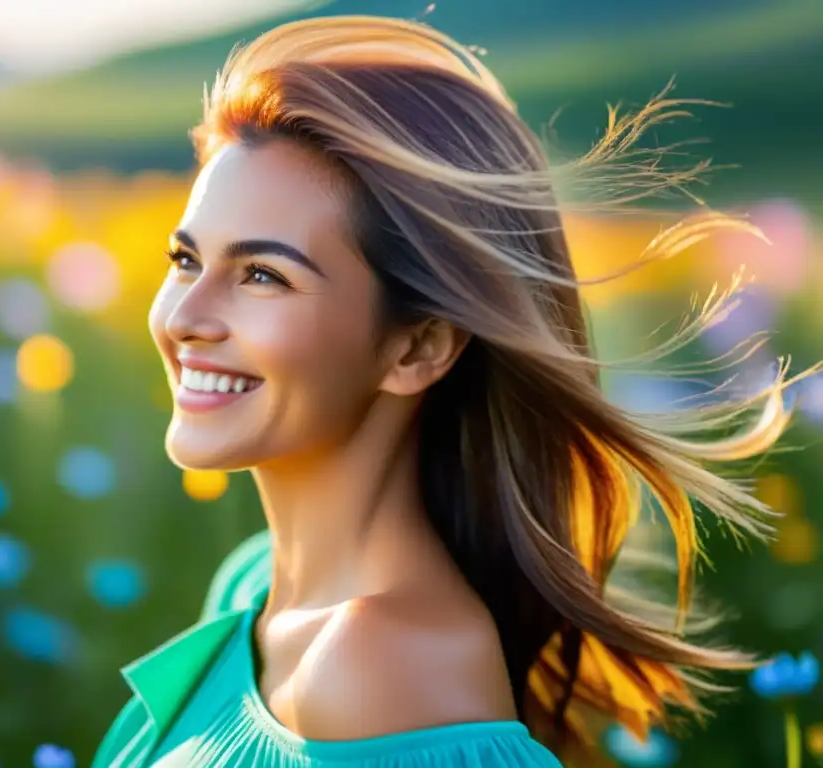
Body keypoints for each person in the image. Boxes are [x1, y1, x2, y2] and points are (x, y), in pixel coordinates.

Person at [92, 14, 812, 768]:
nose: (184, 317)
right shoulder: (253, 583)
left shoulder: (383, 669)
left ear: (417, 347)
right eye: (185, 258)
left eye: (263, 275)